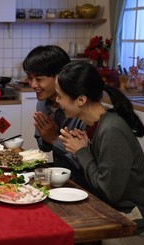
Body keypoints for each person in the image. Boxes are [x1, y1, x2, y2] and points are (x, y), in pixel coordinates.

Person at [55, 61, 144, 245]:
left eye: (60, 96)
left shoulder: (111, 130)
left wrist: (82, 153)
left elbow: (109, 191)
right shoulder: (95, 124)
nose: (57, 101)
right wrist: (85, 149)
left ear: (80, 100)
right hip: (124, 221)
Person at [22, 45, 89, 188]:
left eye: (39, 79)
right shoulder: (43, 103)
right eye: (29, 78)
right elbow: (44, 147)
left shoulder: (80, 108)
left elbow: (86, 164)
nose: (33, 85)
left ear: (60, 76)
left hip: (85, 186)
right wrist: (47, 139)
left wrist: (54, 138)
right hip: (60, 180)